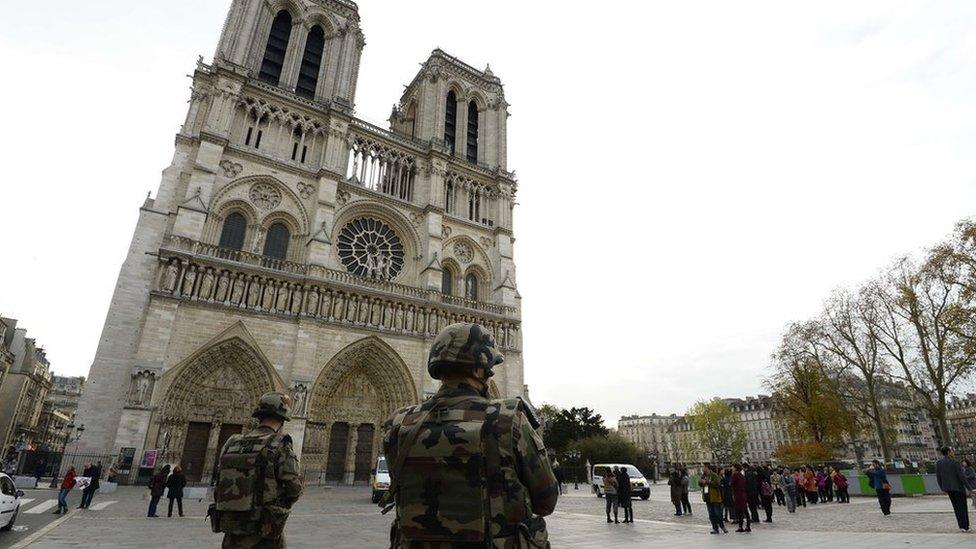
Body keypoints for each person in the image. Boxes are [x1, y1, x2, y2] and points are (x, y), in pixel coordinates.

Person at [382, 323, 558, 548]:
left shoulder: (398, 424)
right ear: (477, 369)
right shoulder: (507, 420)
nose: (490, 376)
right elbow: (546, 501)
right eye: (489, 370)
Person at [212, 392, 302, 548]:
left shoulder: (232, 442)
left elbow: (218, 482)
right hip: (263, 529)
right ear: (282, 419)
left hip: (231, 527)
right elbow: (293, 488)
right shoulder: (280, 444)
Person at [935, 446, 970, 532]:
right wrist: (969, 488)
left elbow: (938, 477)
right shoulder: (954, 462)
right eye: (951, 451)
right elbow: (961, 477)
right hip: (958, 488)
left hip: (948, 489)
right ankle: (966, 526)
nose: (952, 452)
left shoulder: (939, 463)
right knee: (962, 507)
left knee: (956, 507)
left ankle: (961, 526)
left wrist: (942, 488)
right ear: (948, 452)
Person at [700, 464, 727, 534]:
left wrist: (707, 482)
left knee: (717, 514)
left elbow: (717, 484)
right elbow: (700, 483)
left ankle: (722, 526)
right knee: (711, 515)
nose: (703, 469)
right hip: (707, 497)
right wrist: (701, 482)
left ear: (707, 468)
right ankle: (715, 528)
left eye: (704, 467)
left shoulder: (714, 475)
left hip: (714, 497)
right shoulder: (703, 475)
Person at [731, 464, 751, 533]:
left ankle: (740, 526)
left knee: (740, 511)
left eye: (733, 467)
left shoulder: (735, 475)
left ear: (736, 468)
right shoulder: (742, 476)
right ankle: (748, 526)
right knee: (745, 510)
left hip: (738, 495)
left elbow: (732, 484)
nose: (732, 468)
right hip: (743, 494)